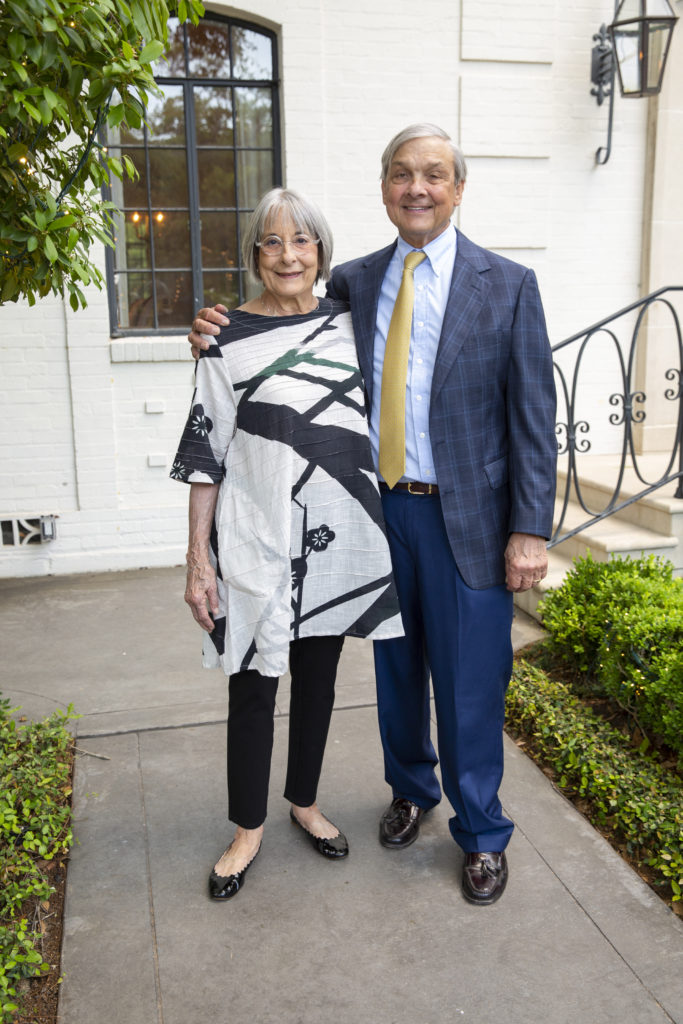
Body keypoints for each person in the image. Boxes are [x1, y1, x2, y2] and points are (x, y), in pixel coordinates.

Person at [188, 124, 557, 906]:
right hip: (375, 512)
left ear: (457, 189)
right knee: (396, 671)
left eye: (432, 175)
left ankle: (482, 831)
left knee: (469, 684)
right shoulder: (350, 285)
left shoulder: (509, 285)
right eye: (400, 175)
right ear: (383, 189)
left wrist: (529, 528)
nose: (415, 188)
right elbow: (273, 322)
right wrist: (210, 326)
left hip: (471, 521)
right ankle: (410, 791)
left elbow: (532, 417)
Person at [173, 187, 402, 901]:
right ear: (253, 256)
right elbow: (204, 450)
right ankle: (247, 829)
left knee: (320, 682)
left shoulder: (351, 323)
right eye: (271, 242)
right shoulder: (224, 337)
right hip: (256, 541)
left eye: (301, 240)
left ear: (321, 254)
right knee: (251, 686)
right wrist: (197, 558)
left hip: (337, 545)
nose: (287, 255)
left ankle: (303, 801)